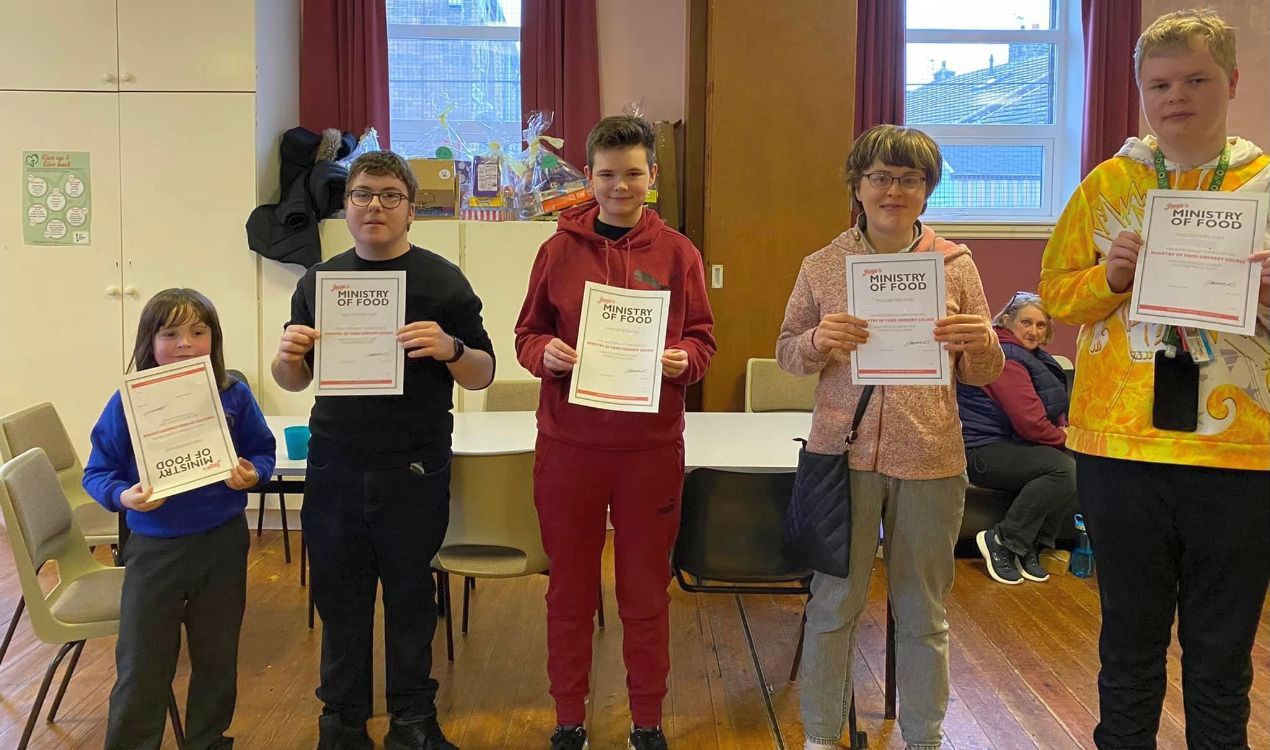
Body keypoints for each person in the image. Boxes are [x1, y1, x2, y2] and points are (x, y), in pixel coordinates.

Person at [1039, 10, 1270, 748]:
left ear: (1231, 83)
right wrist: (1110, 275)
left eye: (1197, 79)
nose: (1178, 96)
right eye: (1160, 83)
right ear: (1141, 91)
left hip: (1240, 453)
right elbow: (1055, 295)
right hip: (1121, 446)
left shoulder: (1266, 187)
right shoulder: (1107, 185)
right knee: (1128, 645)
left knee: (1221, 653)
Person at [778, 124, 1003, 750]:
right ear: (857, 186)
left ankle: (925, 736)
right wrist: (817, 342)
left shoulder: (955, 266)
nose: (893, 190)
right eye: (879, 177)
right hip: (841, 456)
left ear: (927, 191)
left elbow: (986, 372)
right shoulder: (823, 265)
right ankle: (822, 735)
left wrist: (979, 342)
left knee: (923, 610)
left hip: (931, 455)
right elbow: (787, 354)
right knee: (833, 604)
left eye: (909, 178)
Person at [272, 151, 495, 750]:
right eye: (363, 194)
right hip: (335, 462)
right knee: (340, 598)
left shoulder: (443, 280)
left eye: (390, 196)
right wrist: (287, 357)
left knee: (410, 596)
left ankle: (412, 720)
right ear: (345, 207)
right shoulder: (319, 283)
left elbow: (483, 373)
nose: (375, 205)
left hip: (414, 464)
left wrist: (450, 348)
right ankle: (341, 722)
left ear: (411, 209)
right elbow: (294, 381)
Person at [514, 115, 716, 750]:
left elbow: (703, 338)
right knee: (569, 590)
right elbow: (526, 333)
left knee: (644, 593)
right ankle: (568, 717)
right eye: (606, 174)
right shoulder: (557, 250)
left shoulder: (679, 252)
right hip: (570, 447)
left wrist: (687, 359)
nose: (619, 186)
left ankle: (646, 720)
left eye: (633, 173)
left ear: (651, 176)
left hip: (649, 451)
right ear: (590, 177)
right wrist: (544, 352)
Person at [83, 288, 276, 750]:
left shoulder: (234, 394)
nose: (185, 343)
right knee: (143, 662)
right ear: (149, 342)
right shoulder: (127, 402)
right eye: (170, 334)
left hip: (222, 543)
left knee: (217, 655)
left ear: (214, 338)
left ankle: (208, 740)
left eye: (197, 331)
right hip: (154, 549)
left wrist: (252, 475)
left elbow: (262, 452)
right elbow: (98, 472)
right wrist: (123, 497)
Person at [957, 291, 1076, 585]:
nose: (1033, 331)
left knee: (1073, 461)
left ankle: (1032, 547)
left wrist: (1064, 430)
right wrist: (1065, 438)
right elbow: (1030, 423)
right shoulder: (1005, 356)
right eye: (1026, 322)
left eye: (1040, 325)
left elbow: (1052, 407)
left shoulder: (1035, 356)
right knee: (1062, 469)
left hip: (1009, 443)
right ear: (1007, 321)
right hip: (981, 448)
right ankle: (1004, 540)